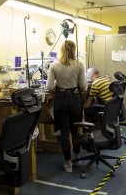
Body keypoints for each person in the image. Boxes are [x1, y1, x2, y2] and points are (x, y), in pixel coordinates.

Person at [46, 40, 87, 173]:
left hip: (61, 100)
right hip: (75, 99)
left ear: (62, 50)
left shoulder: (54, 65)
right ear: (74, 50)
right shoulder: (79, 65)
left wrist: (60, 87)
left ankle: (68, 164)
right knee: (75, 131)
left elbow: (49, 87)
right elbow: (84, 87)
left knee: (64, 133)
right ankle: (78, 159)